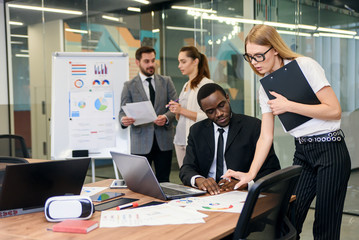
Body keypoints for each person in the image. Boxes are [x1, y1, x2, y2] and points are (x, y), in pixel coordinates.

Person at [222, 25, 351, 240]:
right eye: (249, 57)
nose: (254, 63)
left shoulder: (304, 66)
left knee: (325, 228)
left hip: (331, 149)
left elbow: (334, 110)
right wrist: (251, 174)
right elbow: (266, 136)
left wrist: (290, 105)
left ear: (274, 49)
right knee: (288, 219)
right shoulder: (264, 87)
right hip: (302, 152)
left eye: (259, 56)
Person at [179, 83, 280, 195]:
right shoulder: (196, 131)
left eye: (221, 105)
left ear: (228, 98)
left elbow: (272, 170)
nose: (219, 114)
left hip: (241, 194)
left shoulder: (253, 126)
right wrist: (200, 180)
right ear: (203, 110)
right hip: (207, 195)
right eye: (211, 111)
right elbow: (186, 169)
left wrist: (245, 183)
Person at [119, 46, 178, 182]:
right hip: (140, 142)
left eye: (153, 60)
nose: (151, 64)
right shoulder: (129, 86)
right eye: (146, 61)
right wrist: (123, 120)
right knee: (140, 182)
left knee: (164, 181)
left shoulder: (166, 81)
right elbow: (122, 112)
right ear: (137, 62)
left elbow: (175, 106)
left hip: (163, 141)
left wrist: (166, 117)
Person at [168, 46, 213, 167]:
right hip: (180, 140)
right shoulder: (186, 85)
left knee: (195, 178)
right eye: (179, 62)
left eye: (183, 62)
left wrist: (181, 110)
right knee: (184, 177)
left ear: (195, 61)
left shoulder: (206, 84)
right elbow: (180, 117)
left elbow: (210, 117)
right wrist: (176, 110)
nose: (179, 66)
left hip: (195, 140)